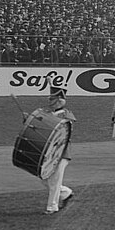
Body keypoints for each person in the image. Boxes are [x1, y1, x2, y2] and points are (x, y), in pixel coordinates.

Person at [41, 85, 76, 215]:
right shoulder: (48, 113)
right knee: (44, 178)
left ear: (59, 100)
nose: (49, 102)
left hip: (62, 152)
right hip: (50, 153)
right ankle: (66, 193)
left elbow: (65, 132)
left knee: (55, 179)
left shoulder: (66, 115)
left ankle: (52, 206)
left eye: (52, 99)